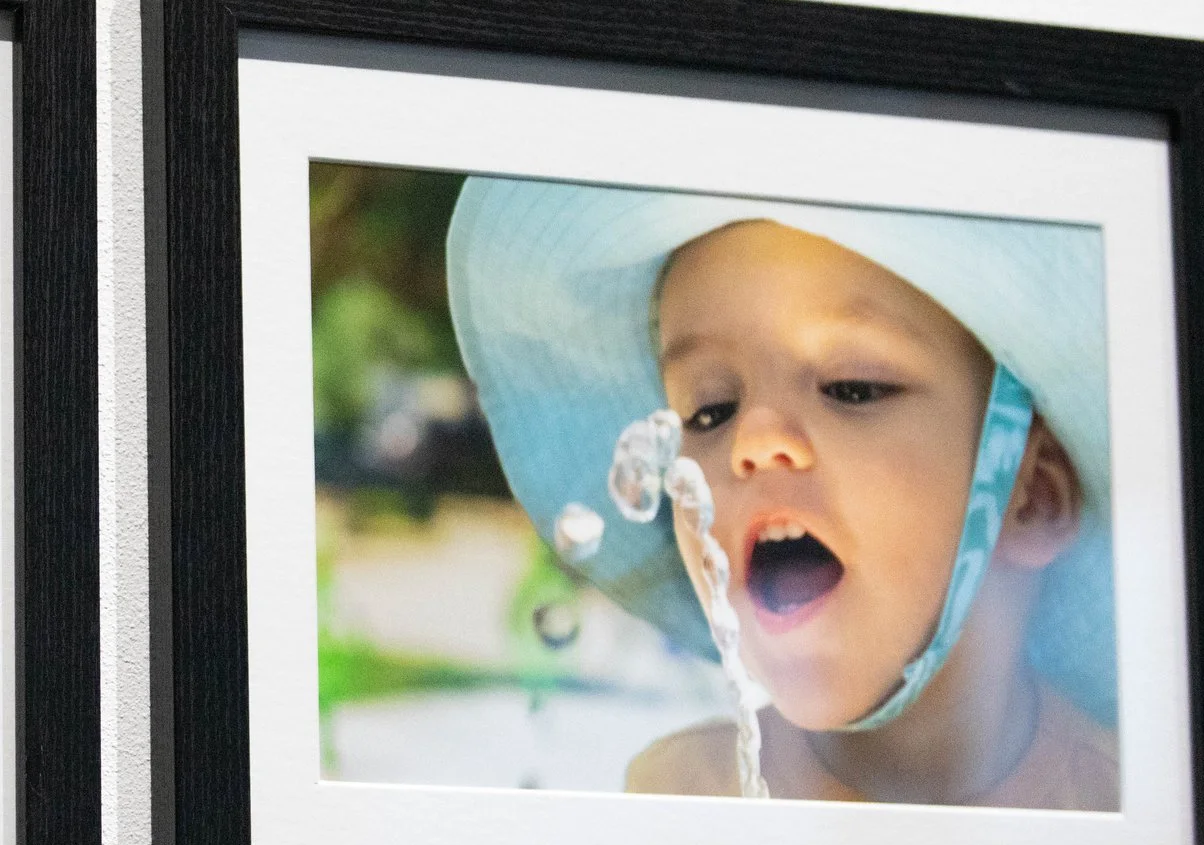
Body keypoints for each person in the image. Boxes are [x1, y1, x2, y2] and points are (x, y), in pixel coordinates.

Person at [445, 180, 1117, 811]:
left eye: (851, 386)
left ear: (1033, 495)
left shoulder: (1127, 817)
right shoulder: (688, 797)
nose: (755, 437)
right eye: (710, 409)